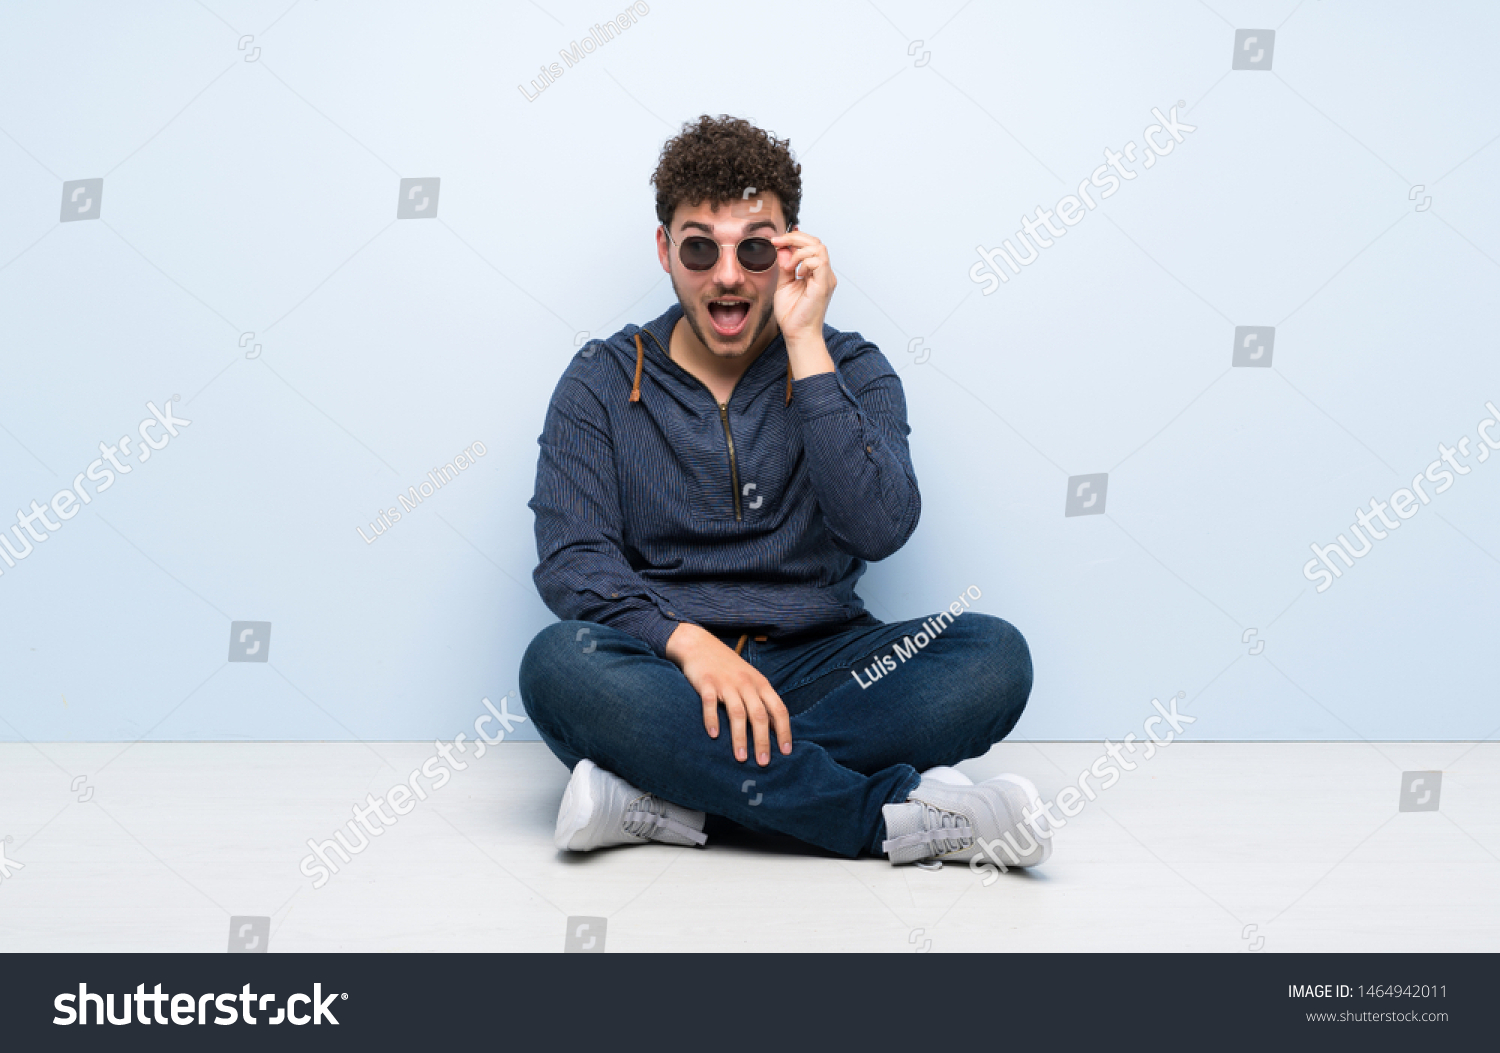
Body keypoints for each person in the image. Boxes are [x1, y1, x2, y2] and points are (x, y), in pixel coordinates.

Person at [519, 114, 1051, 871]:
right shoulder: (601, 381)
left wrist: (806, 345)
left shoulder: (851, 366)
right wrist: (690, 644)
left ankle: (672, 794)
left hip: (827, 668)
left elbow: (882, 526)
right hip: (672, 675)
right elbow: (572, 560)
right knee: (558, 663)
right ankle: (884, 818)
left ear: (793, 250)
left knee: (994, 655)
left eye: (756, 247)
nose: (728, 276)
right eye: (701, 247)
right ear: (667, 250)